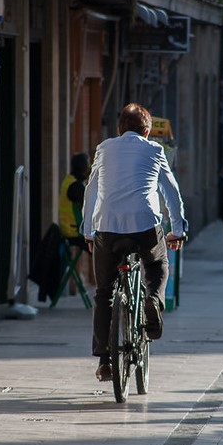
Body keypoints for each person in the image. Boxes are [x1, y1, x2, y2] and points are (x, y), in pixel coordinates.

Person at [81, 103, 187, 382]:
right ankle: (153, 300)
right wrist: (178, 229)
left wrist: (88, 231)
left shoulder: (104, 149)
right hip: (145, 226)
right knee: (158, 263)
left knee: (103, 293)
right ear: (148, 131)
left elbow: (91, 190)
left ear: (119, 129)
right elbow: (171, 191)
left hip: (107, 227)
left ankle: (105, 362)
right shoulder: (155, 150)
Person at [58, 152, 91, 246]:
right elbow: (92, 204)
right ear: (84, 168)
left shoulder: (69, 180)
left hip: (68, 228)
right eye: (88, 166)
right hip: (75, 230)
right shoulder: (75, 186)